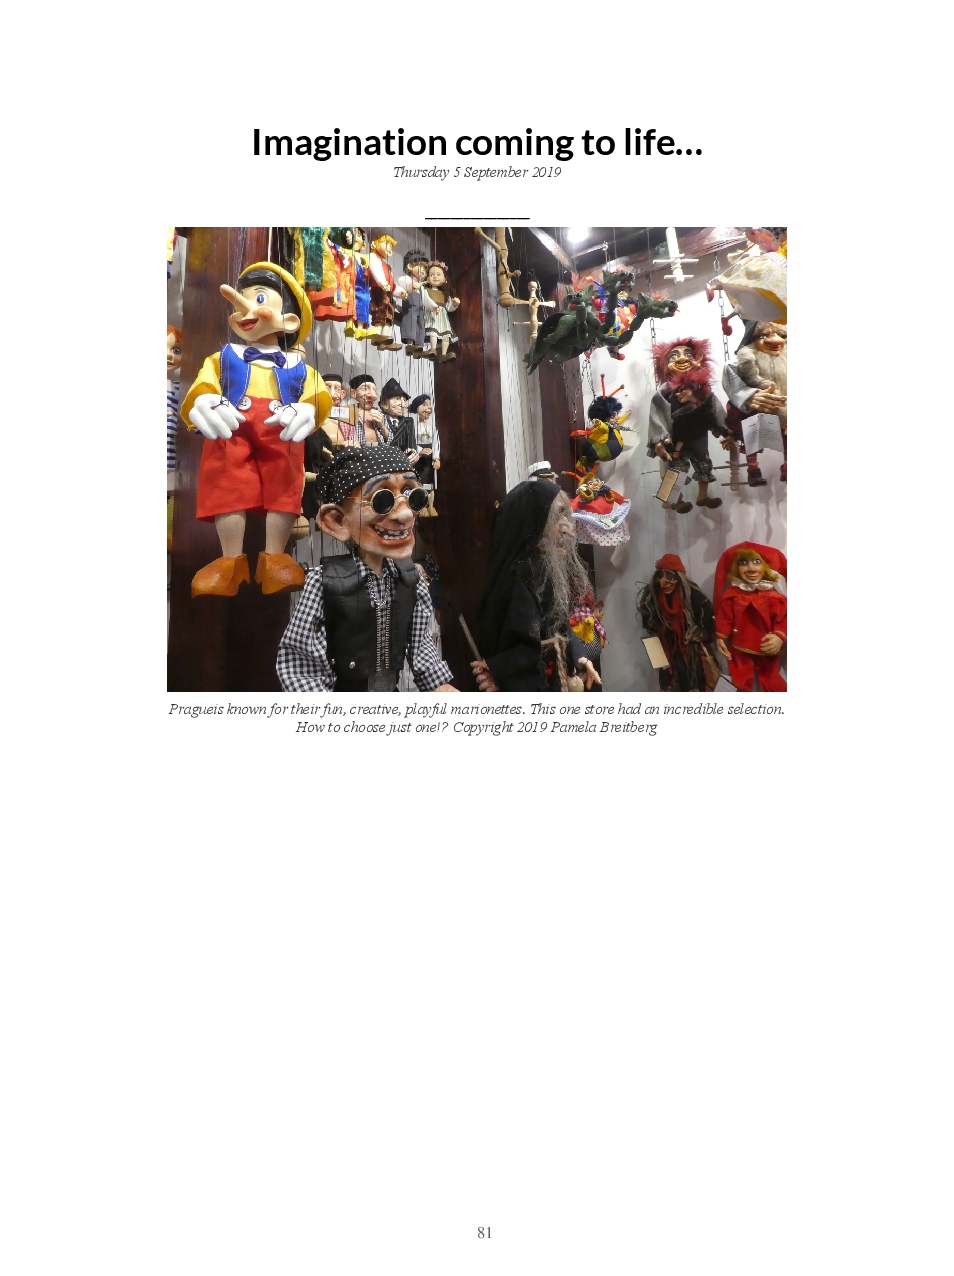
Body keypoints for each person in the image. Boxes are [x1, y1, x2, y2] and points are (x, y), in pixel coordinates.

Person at [180, 261, 332, 596]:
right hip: (232, 425)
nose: (244, 309)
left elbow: (316, 392)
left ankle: (275, 559)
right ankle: (229, 561)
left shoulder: (300, 365)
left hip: (281, 428)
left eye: (258, 299)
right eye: (239, 304)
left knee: (285, 480)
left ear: (289, 320)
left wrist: (309, 409)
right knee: (226, 479)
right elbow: (203, 386)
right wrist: (202, 402)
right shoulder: (223, 356)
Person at [276, 447, 457, 693]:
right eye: (382, 500)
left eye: (412, 496)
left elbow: (421, 645)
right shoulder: (323, 583)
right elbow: (300, 664)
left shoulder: (410, 580)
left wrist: (439, 685)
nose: (405, 514)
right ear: (337, 521)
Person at [470, 481, 600, 691]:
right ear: (534, 525)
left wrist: (580, 658)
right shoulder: (524, 575)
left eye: (565, 516)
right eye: (557, 517)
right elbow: (525, 643)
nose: (567, 528)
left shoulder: (545, 569)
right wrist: (498, 668)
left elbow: (559, 623)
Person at [713, 542, 787, 692]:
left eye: (757, 562)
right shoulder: (732, 595)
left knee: (771, 680)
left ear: (765, 567)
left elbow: (783, 618)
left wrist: (779, 636)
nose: (751, 568)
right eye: (743, 563)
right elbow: (725, 618)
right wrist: (721, 636)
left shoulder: (773, 597)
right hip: (739, 645)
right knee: (739, 680)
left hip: (766, 646)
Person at [637, 554, 717, 691]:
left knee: (696, 680)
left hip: (691, 650)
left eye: (671, 577)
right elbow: (649, 621)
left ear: (679, 578)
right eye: (660, 577)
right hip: (667, 648)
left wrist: (701, 632)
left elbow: (708, 617)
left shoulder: (692, 594)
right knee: (670, 683)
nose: (665, 582)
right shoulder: (652, 597)